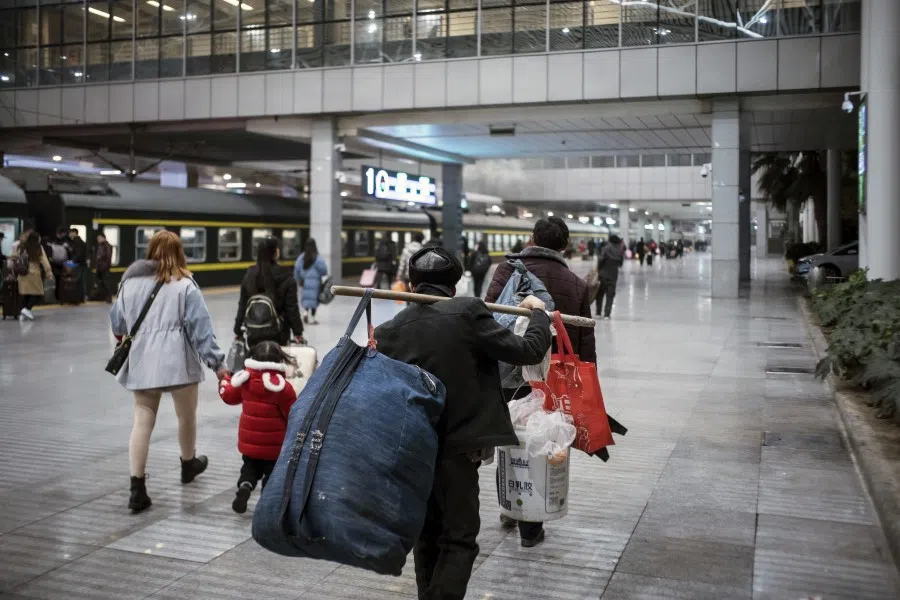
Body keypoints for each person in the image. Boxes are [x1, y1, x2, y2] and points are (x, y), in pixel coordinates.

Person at [375, 246, 551, 600]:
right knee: (459, 539)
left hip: (412, 452)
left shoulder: (389, 330)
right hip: (457, 451)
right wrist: (539, 314)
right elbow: (528, 351)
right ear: (454, 286)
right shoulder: (468, 313)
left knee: (427, 536)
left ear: (412, 283)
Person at [485, 216, 595, 547]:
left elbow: (488, 319)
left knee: (511, 437)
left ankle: (510, 506)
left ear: (532, 237)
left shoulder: (506, 271)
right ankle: (530, 526)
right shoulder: (576, 283)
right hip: (551, 378)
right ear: (564, 245)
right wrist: (585, 379)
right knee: (544, 438)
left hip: (506, 371)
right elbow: (582, 338)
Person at [109, 230, 227, 513]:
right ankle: (188, 465)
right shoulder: (185, 285)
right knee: (186, 416)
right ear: (179, 253)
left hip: (142, 362)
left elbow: (118, 323)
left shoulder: (129, 284)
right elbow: (202, 331)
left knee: (142, 420)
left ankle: (137, 488)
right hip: (178, 363)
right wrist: (219, 365)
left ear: (150, 251)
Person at [219, 340, 298, 514]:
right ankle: (266, 502)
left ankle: (246, 486)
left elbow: (228, 396)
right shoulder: (282, 387)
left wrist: (224, 382)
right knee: (272, 474)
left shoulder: (244, 380)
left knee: (249, 468)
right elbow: (293, 414)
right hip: (274, 446)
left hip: (249, 444)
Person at [236, 236, 304, 346]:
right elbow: (292, 309)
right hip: (279, 334)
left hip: (253, 333)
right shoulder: (286, 276)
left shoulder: (249, 275)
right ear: (275, 252)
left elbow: (242, 306)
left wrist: (237, 330)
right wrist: (298, 333)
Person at [14, 230, 52, 320]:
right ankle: (26, 309)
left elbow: (15, 257)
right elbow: (44, 261)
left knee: (26, 294)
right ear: (37, 238)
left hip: (22, 274)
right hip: (33, 273)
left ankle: (23, 314)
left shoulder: (21, 246)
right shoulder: (38, 247)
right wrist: (49, 272)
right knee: (38, 293)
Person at [294, 238, 328, 325]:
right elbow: (324, 270)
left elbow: (297, 270)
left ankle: (305, 313)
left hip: (305, 282)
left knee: (306, 299)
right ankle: (312, 318)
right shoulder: (318, 258)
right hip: (315, 283)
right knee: (314, 300)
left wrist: (299, 280)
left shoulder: (301, 257)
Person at [596, 234, 624, 319]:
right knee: (610, 295)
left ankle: (598, 312)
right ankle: (607, 314)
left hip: (603, 275)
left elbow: (601, 260)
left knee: (600, 294)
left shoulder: (606, 248)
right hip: (613, 275)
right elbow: (621, 264)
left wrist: (598, 269)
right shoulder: (619, 250)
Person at [47, 227, 71, 302]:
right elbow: (70, 253)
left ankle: (56, 297)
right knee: (62, 281)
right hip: (64, 265)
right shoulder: (67, 241)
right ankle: (61, 297)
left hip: (54, 264)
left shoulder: (52, 240)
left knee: (56, 281)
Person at [68, 227, 87, 300]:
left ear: (74, 233)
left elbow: (78, 254)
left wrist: (72, 261)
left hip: (78, 264)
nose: (69, 234)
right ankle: (82, 297)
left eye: (70, 232)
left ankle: (78, 297)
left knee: (78, 281)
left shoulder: (77, 241)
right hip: (81, 264)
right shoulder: (80, 241)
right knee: (81, 281)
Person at [93, 232, 114, 302]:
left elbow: (108, 257)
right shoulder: (100, 246)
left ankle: (108, 298)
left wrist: (105, 266)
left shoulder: (107, 246)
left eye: (99, 238)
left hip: (104, 268)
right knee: (102, 283)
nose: (98, 240)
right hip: (100, 267)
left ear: (103, 238)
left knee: (106, 283)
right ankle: (103, 297)